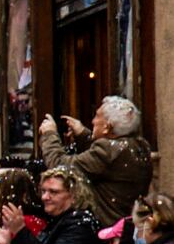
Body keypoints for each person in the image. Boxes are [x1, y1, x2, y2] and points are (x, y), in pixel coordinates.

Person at [38, 96, 154, 225]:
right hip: (129, 224)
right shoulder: (140, 145)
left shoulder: (108, 150)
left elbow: (61, 166)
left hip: (108, 229)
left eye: (97, 116)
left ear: (107, 127)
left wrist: (49, 135)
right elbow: (103, 161)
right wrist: (83, 134)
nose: (93, 121)